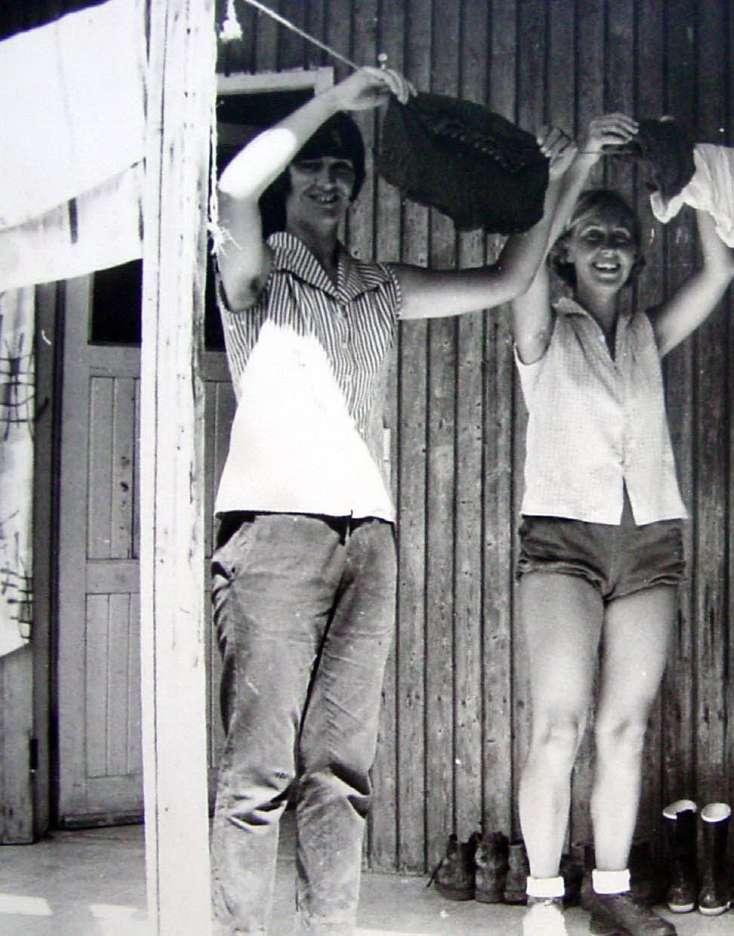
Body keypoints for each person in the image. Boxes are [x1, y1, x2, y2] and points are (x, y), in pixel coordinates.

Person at [209, 66, 573, 935]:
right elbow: (232, 191)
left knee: (339, 771)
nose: (328, 181)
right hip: (273, 533)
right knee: (258, 774)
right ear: (292, 177)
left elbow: (506, 277)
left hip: (370, 539)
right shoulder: (258, 274)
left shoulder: (381, 285)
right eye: (314, 166)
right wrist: (335, 103)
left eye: (344, 170)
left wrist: (556, 183)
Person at [512, 114, 734, 936]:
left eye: (622, 237)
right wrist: (574, 168)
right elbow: (525, 257)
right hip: (563, 544)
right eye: (593, 237)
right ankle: (544, 901)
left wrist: (691, 180)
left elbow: (721, 268)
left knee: (625, 728)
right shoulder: (541, 325)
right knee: (558, 724)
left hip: (650, 545)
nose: (608, 248)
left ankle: (610, 891)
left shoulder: (646, 333)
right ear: (568, 252)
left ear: (639, 255)